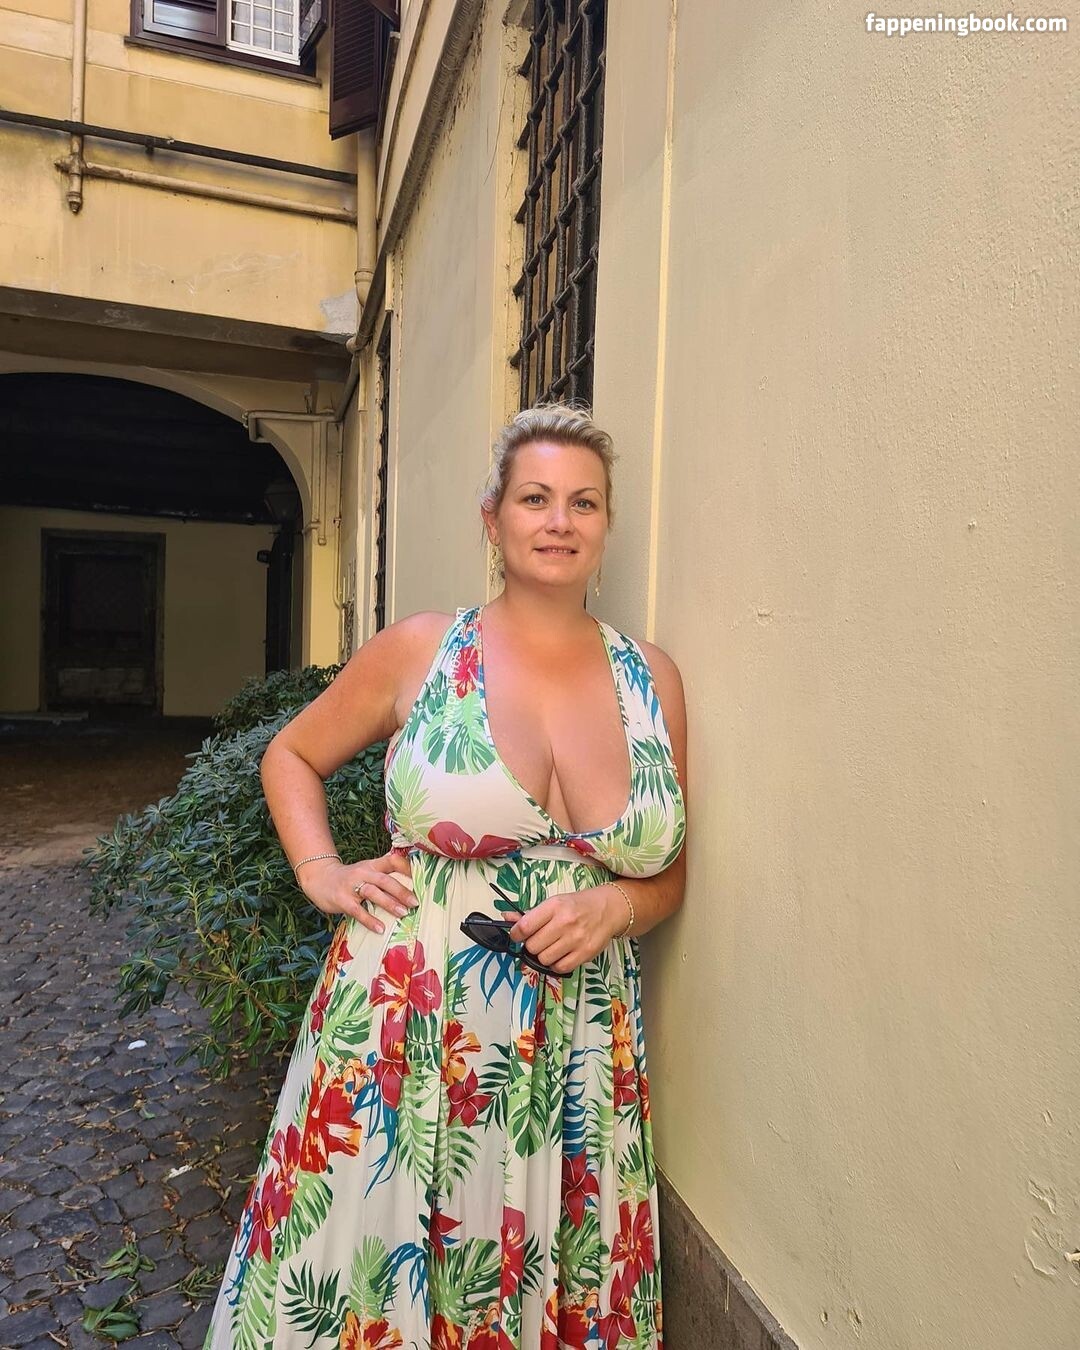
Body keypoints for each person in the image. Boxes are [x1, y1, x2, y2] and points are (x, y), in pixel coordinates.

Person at [204, 402, 689, 1350]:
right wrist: (322, 870)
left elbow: (669, 878)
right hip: (409, 1018)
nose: (559, 521)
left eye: (584, 502)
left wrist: (616, 904)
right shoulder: (423, 649)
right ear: (493, 519)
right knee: (380, 1270)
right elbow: (291, 755)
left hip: (574, 1043)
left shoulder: (654, 679)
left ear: (606, 524)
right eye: (535, 498)